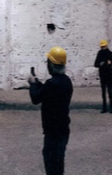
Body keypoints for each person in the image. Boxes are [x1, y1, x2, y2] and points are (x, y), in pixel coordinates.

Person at [29, 46, 73, 175]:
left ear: (52, 65)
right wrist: (38, 82)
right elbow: (47, 93)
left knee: (51, 163)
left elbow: (36, 98)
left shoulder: (51, 84)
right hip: (63, 128)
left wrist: (32, 84)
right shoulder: (66, 81)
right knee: (58, 162)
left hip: (52, 131)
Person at [95, 39, 112, 113]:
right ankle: (104, 108)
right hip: (102, 75)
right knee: (103, 93)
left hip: (109, 75)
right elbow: (95, 64)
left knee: (110, 92)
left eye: (104, 47)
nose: (103, 48)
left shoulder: (110, 54)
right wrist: (100, 64)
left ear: (106, 46)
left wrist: (111, 62)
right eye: (102, 47)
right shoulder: (99, 54)